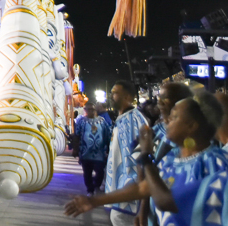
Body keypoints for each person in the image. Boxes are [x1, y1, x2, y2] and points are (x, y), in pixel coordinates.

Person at [65, 89, 228, 226]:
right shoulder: (172, 159)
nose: (168, 119)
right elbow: (144, 187)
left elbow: (168, 201)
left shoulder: (215, 164)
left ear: (192, 126)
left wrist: (145, 156)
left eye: (176, 116)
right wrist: (95, 201)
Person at [103, 81, 152, 225]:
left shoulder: (132, 120)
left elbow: (140, 158)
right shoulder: (124, 119)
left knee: (119, 219)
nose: (112, 96)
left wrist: (139, 196)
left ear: (128, 97)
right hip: (122, 190)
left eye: (116, 92)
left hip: (129, 192)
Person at [74, 102, 111, 196]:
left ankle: (96, 185)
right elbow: (77, 135)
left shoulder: (102, 121)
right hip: (85, 152)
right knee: (87, 173)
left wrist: (108, 148)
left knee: (100, 172)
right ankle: (90, 190)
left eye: (92, 109)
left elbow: (107, 134)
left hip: (99, 153)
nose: (91, 111)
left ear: (95, 110)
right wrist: (76, 149)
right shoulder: (81, 121)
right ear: (85, 110)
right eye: (88, 109)